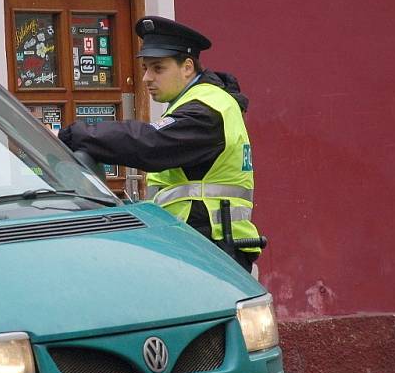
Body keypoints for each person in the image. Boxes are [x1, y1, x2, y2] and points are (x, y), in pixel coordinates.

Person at [58, 15, 262, 273]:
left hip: (210, 247)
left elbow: (150, 143)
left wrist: (73, 136)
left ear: (187, 67)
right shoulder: (200, 104)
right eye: (145, 68)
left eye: (158, 68)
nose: (146, 78)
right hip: (200, 243)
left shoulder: (206, 111)